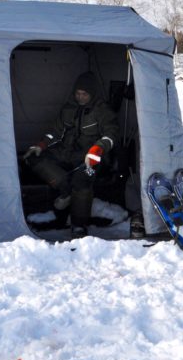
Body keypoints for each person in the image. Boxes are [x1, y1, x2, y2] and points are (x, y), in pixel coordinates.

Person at [23, 71, 120, 237]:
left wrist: (97, 149)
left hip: (91, 157)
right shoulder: (69, 109)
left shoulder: (102, 111)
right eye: (78, 93)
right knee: (32, 157)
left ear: (92, 94)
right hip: (66, 153)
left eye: (84, 94)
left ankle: (78, 225)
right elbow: (54, 131)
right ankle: (65, 191)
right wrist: (41, 144)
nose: (80, 97)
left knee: (82, 181)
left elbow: (111, 134)